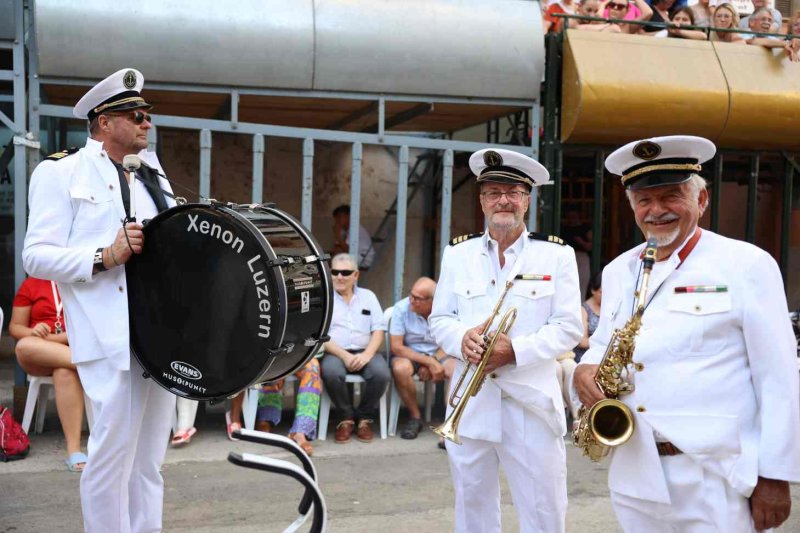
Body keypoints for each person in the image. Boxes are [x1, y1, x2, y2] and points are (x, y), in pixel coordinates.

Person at [573, 135, 800, 532]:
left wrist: (775, 475)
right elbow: (604, 343)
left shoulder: (747, 264)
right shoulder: (617, 271)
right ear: (632, 207)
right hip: (635, 469)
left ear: (702, 200)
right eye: (644, 200)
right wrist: (584, 369)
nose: (656, 210)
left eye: (671, 196)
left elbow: (779, 377)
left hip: (715, 474)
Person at [22, 68, 177, 532]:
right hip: (108, 335)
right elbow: (36, 256)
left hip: (159, 334)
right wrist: (104, 255)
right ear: (104, 123)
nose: (146, 123)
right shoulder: (60, 171)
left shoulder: (153, 172)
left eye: (148, 114)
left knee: (149, 460)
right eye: (136, 115)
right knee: (111, 457)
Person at [429, 148, 583, 532]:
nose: (504, 200)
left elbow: (568, 327)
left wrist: (514, 350)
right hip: (471, 405)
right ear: (481, 199)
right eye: (494, 191)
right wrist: (461, 339)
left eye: (513, 192)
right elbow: (440, 318)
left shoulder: (556, 255)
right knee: (473, 508)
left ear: (527, 199)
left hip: (530, 402)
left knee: (543, 510)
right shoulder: (457, 253)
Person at [9, 276, 87, 472]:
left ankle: (74, 450)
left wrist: (54, 338)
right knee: (24, 346)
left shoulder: (79, 279)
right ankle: (91, 366)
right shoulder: (32, 283)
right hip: (40, 352)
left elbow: (89, 326)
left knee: (63, 372)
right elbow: (15, 327)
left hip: (71, 350)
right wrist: (33, 331)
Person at [321, 253, 390, 443]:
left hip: (365, 351)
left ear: (356, 275)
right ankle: (346, 417)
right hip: (335, 351)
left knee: (381, 373)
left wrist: (367, 355)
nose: (340, 277)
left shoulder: (368, 297)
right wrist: (344, 355)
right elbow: (320, 335)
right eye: (335, 272)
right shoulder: (325, 298)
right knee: (330, 371)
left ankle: (364, 417)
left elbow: (378, 330)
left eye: (345, 272)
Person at [389, 276, 456, 444]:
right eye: (411, 295)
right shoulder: (401, 308)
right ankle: (415, 417)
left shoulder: (447, 310)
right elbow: (396, 347)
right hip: (411, 353)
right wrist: (428, 362)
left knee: (457, 370)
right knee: (400, 368)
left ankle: (451, 424)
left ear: (432, 301)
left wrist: (433, 360)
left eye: (417, 298)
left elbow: (451, 341)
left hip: (440, 353)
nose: (411, 301)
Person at [254, 358, 322, 456]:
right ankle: (266, 418)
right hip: (274, 356)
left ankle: (300, 431)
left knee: (312, 366)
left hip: (297, 356)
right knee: (269, 362)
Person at [332, 204, 375, 271]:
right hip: (355, 255)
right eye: (336, 218)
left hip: (364, 258)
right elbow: (337, 248)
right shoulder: (344, 230)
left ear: (348, 217)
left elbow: (349, 250)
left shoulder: (355, 229)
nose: (337, 221)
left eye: (339, 217)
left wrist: (337, 235)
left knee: (337, 260)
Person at [574, 270, 602, 364]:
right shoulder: (583, 309)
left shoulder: (609, 308)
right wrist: (604, 343)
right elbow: (582, 342)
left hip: (602, 355)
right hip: (586, 358)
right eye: (601, 292)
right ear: (593, 290)